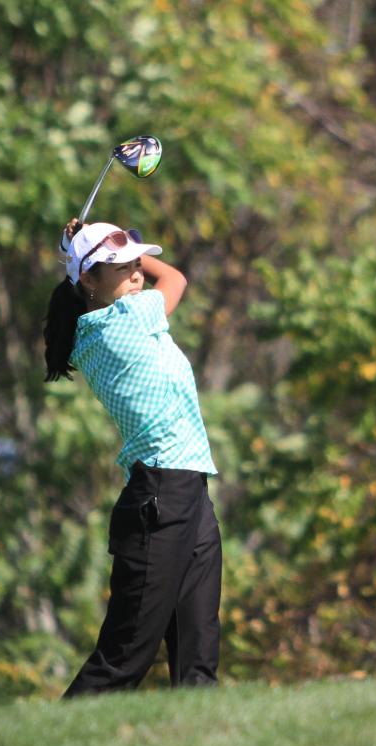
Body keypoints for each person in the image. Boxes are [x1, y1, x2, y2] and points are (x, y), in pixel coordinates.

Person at [44, 218, 222, 697]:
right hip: (161, 497)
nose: (136, 273)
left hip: (186, 492)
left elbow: (156, 281)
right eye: (122, 267)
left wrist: (92, 249)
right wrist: (109, 244)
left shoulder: (102, 324)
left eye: (135, 264)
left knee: (197, 651)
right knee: (126, 655)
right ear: (89, 280)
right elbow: (176, 279)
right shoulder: (120, 324)